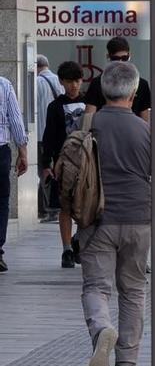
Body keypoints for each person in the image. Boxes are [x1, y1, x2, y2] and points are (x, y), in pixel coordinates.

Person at [67, 59, 155, 366]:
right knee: (133, 289)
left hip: (96, 219)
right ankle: (126, 363)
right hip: (139, 218)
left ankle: (104, 328)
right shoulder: (147, 130)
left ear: (102, 91)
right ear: (134, 93)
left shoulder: (86, 125)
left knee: (96, 286)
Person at [41, 62, 88, 262]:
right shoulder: (55, 106)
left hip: (86, 162)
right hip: (63, 163)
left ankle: (79, 241)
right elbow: (49, 136)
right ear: (61, 82)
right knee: (65, 206)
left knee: (86, 206)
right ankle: (67, 248)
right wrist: (46, 165)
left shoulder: (90, 103)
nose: (74, 86)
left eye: (77, 81)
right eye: (69, 82)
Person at [0, 69, 28, 274]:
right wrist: (23, 150)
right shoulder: (4, 85)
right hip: (0, 151)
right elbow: (15, 119)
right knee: (1, 201)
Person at [84, 38, 151, 119]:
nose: (120, 62)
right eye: (115, 59)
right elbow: (88, 118)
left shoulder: (142, 84)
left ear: (129, 55)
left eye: (124, 58)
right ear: (108, 57)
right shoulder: (97, 83)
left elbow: (145, 119)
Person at [34, 54, 57, 134]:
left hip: (42, 131)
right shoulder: (60, 80)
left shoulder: (35, 82)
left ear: (35, 66)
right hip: (59, 129)